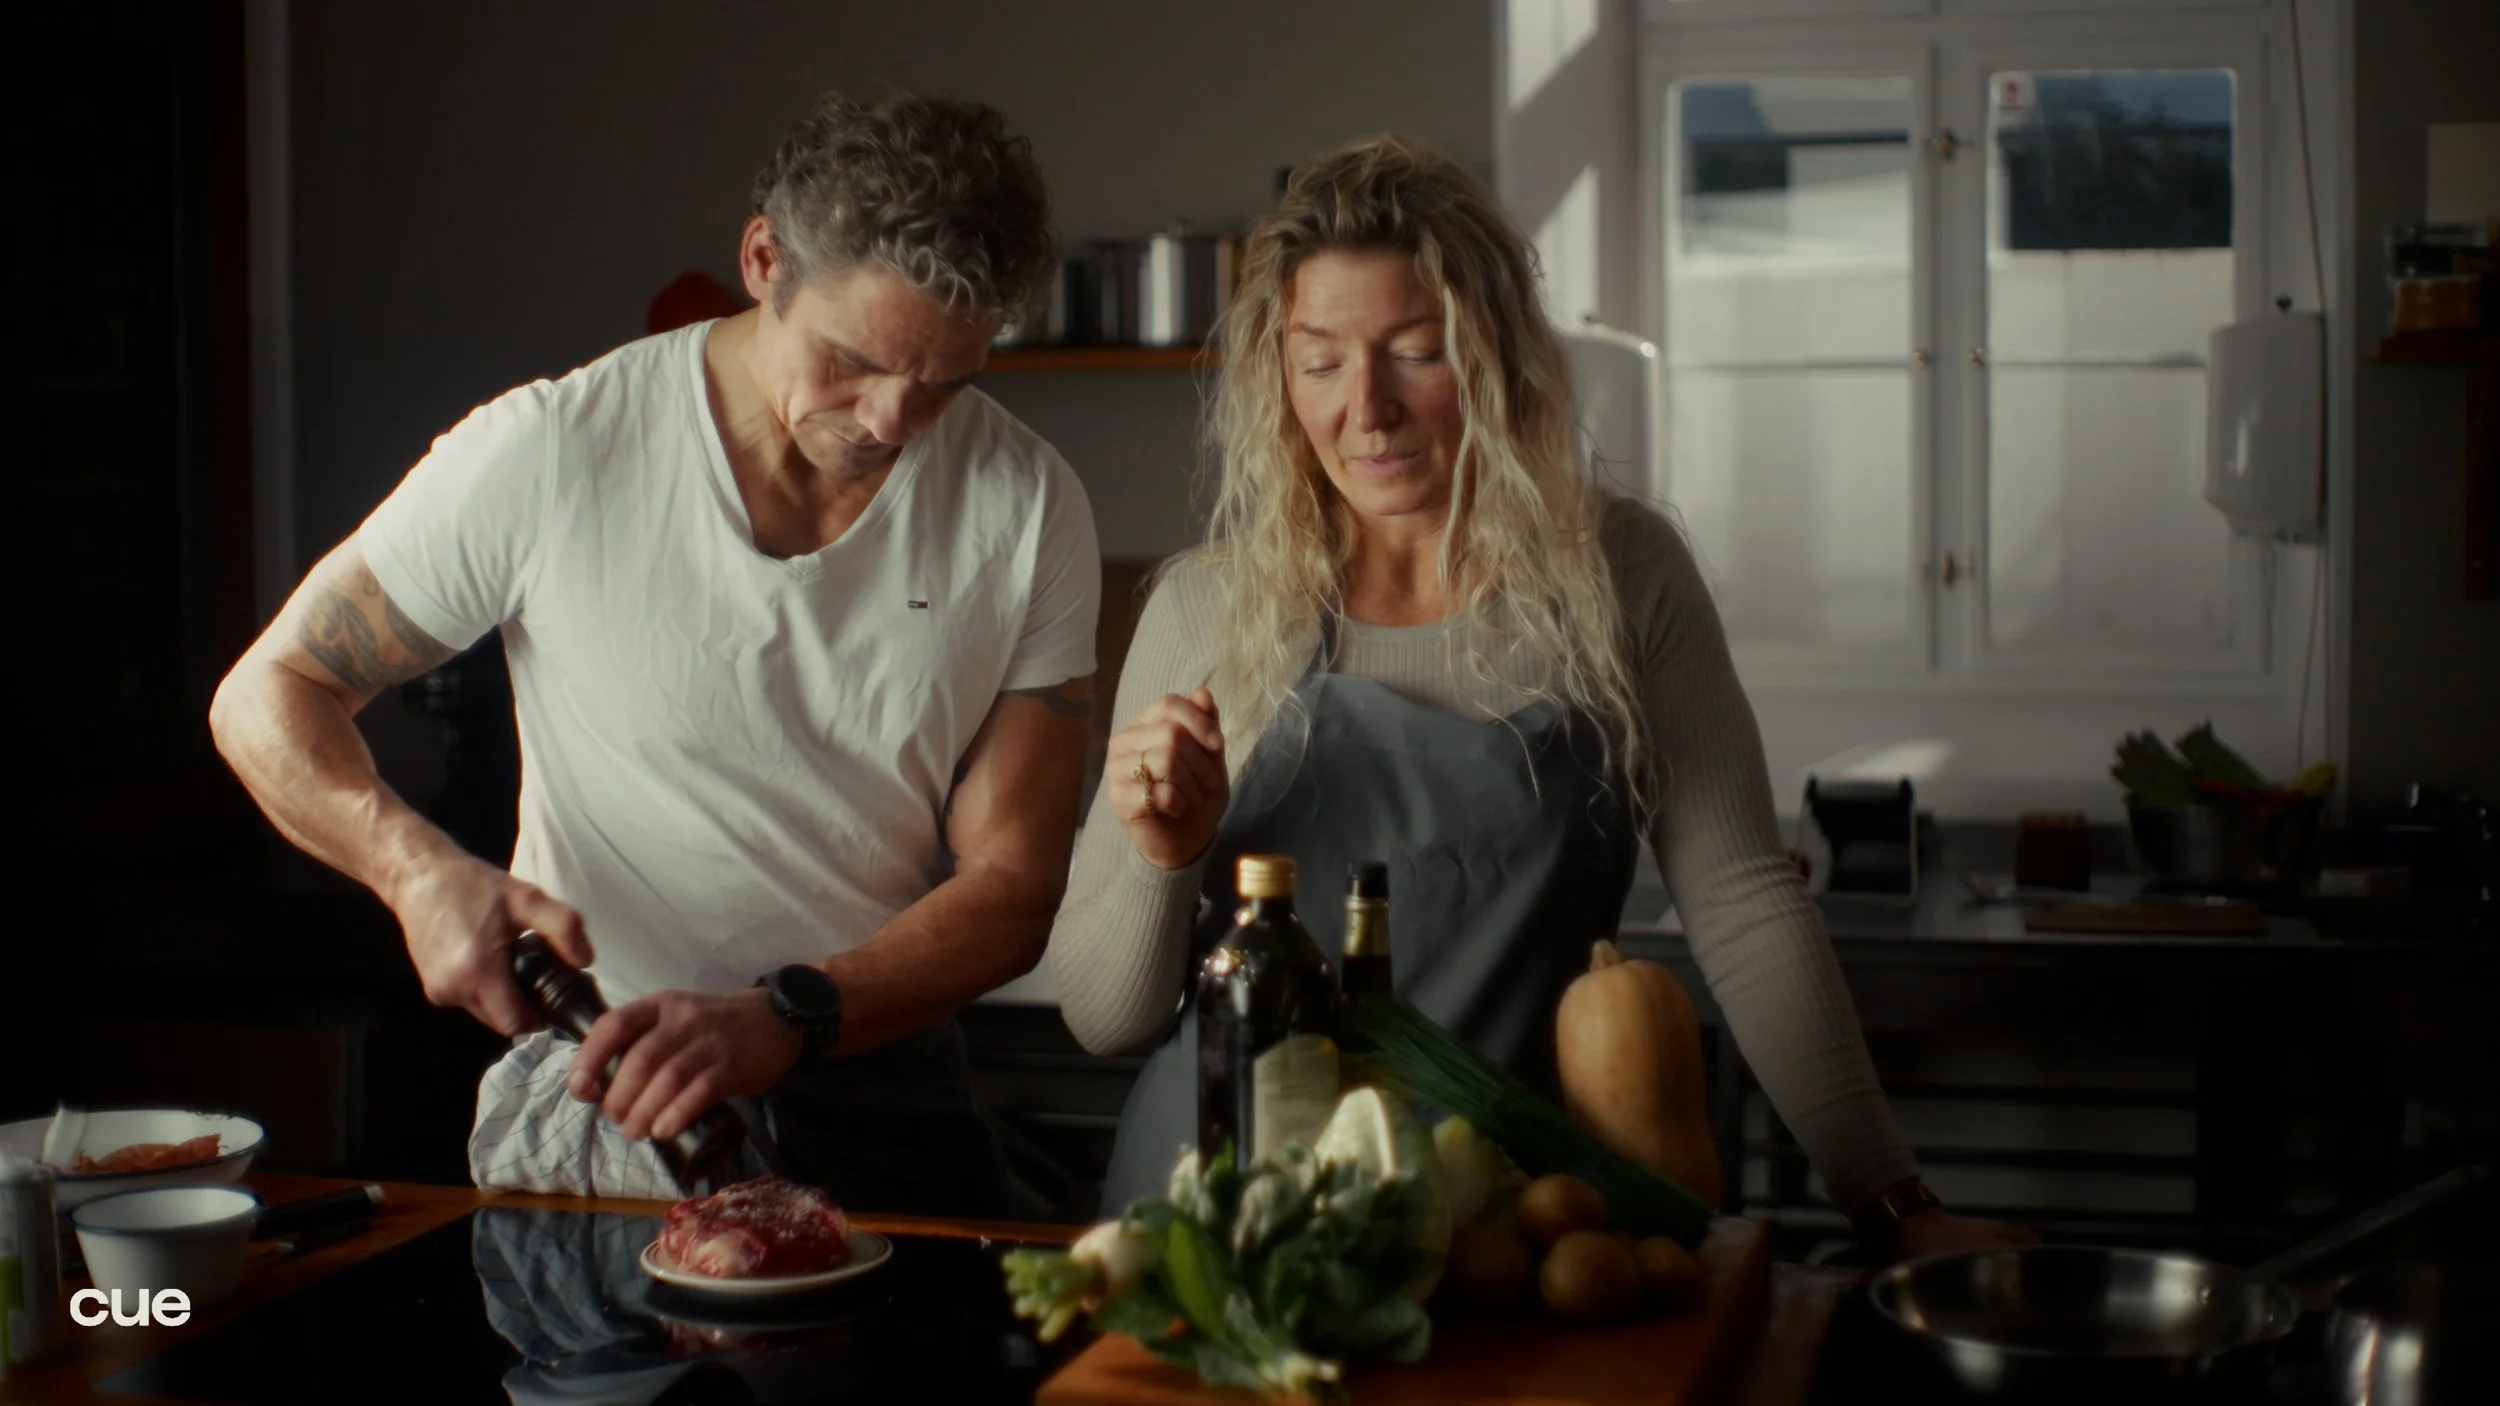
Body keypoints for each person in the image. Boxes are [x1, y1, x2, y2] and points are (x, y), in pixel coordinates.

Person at [1043, 135, 2031, 1261]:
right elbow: (1105, 1018)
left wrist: (1894, 1203)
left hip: (1501, 1234)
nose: (1365, 409)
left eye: (1414, 352)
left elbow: (1746, 907)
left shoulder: (1622, 574)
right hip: (1214, 1232)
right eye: (1319, 362)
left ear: (1498, 352)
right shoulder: (1204, 611)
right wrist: (1163, 853)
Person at [211, 91, 1100, 1216]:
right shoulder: (555, 450)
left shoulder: (1026, 505)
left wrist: (789, 1014)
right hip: (604, 1087)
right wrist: (413, 867)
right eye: (854, 361)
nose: (887, 419)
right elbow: (267, 692)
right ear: (764, 259)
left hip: (878, 1069)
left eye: (943, 383)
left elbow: (1016, 884)